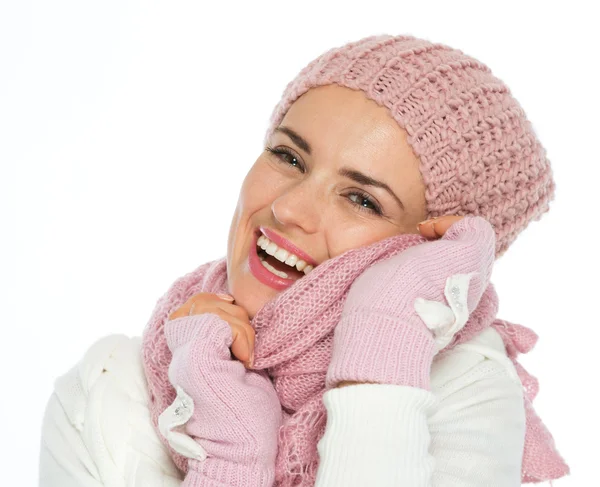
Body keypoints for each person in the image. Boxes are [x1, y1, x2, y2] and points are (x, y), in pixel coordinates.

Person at [38, 34, 570, 486]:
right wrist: (234, 441)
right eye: (288, 156)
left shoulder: (469, 392)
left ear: (429, 249)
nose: (289, 208)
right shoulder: (109, 390)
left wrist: (380, 347)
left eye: (362, 199)